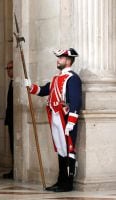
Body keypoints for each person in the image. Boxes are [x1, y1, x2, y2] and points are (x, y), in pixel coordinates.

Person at [25, 48, 82, 192]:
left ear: (68, 60)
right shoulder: (56, 78)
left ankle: (67, 184)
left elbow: (75, 101)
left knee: (68, 150)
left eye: (61, 58)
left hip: (66, 119)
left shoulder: (73, 78)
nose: (58, 60)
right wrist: (31, 86)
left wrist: (71, 122)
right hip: (55, 118)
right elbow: (45, 90)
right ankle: (60, 181)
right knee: (61, 150)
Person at [3, 60, 14, 179]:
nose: (8, 70)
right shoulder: (11, 83)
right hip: (11, 119)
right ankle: (13, 168)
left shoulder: (16, 83)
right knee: (12, 145)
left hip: (15, 120)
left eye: (10, 68)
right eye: (7, 68)